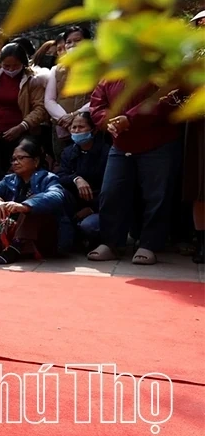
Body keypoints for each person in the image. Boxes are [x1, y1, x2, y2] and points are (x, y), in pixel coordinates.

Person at [88, 79, 183, 265]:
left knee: (157, 196)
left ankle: (150, 245)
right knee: (111, 192)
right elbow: (97, 104)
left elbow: (167, 98)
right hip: (121, 144)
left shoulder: (159, 68)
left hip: (158, 142)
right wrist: (109, 120)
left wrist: (130, 119)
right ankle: (111, 243)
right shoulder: (110, 74)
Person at [0, 139, 67, 265]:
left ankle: (16, 248)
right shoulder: (9, 180)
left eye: (21, 158)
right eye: (13, 159)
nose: (15, 162)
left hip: (42, 237)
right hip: (13, 230)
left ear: (35, 161)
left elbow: (56, 195)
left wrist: (24, 206)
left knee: (33, 205)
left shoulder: (49, 179)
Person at [0, 43, 47, 169]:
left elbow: (40, 108)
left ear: (23, 63)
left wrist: (22, 127)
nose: (11, 70)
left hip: (22, 134)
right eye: (6, 66)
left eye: (16, 66)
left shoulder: (32, 79)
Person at [56, 112, 108, 254]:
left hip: (100, 206)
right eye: (74, 127)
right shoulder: (68, 152)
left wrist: (92, 209)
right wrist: (76, 179)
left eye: (81, 127)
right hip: (75, 203)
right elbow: (60, 176)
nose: (76, 131)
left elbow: (112, 189)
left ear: (93, 129)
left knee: (88, 226)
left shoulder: (106, 153)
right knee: (59, 193)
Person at [44, 25, 94, 162]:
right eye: (68, 42)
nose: (72, 45)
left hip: (89, 126)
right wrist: (65, 119)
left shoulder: (97, 68)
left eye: (77, 41)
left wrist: (74, 117)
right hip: (62, 127)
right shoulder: (56, 70)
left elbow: (98, 98)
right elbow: (49, 100)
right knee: (64, 164)